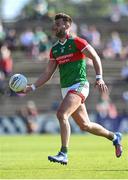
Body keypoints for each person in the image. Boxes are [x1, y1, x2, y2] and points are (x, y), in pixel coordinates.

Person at [24, 13, 122, 165]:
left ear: (67, 26)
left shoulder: (77, 42)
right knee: (85, 125)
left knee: (61, 114)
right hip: (66, 89)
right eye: (54, 24)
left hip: (79, 85)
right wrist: (33, 87)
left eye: (58, 24)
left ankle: (64, 153)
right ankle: (115, 137)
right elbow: (48, 73)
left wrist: (99, 77)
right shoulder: (55, 49)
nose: (54, 27)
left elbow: (95, 57)